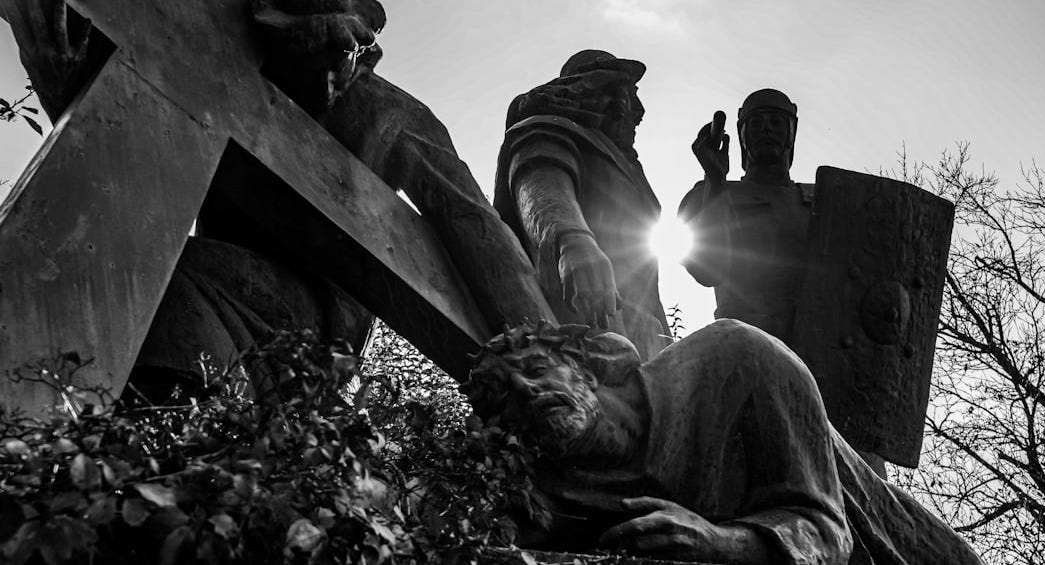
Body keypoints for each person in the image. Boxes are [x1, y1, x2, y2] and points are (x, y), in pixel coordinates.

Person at [5, 0, 555, 398]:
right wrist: (59, 76)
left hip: (318, 318)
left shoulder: (396, 118)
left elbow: (478, 230)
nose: (330, 82)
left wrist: (555, 356)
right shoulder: (210, 58)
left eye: (345, 56)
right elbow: (122, 165)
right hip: (223, 280)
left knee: (167, 286)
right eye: (305, 53)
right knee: (103, 269)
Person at [464, 320, 986, 565]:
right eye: (506, 400)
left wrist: (717, 542)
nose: (528, 393)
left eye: (536, 368)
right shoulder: (551, 489)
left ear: (591, 368)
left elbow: (827, 536)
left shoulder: (737, 358)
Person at [493, 50, 670, 361]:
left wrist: (666, 338)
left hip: (642, 329)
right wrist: (574, 243)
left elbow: (648, 276)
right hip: (582, 311)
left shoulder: (629, 167)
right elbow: (541, 188)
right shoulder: (549, 128)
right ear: (603, 93)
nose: (639, 111)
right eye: (632, 95)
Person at [678, 88, 812, 344]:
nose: (766, 130)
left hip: (811, 352)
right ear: (741, 136)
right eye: (756, 123)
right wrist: (715, 182)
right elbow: (706, 270)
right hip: (741, 347)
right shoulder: (705, 195)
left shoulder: (821, 203)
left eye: (776, 122)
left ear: (791, 134)